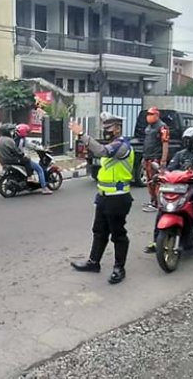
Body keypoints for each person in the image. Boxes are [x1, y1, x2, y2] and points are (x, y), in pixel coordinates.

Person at [69, 112, 134, 284]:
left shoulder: (122, 146)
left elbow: (100, 151)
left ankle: (119, 268)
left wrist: (81, 135)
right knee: (99, 231)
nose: (106, 131)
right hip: (104, 197)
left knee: (118, 234)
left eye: (109, 128)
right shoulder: (112, 144)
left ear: (118, 128)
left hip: (118, 198)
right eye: (104, 128)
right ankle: (93, 262)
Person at [144, 126, 193, 253]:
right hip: (177, 187)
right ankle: (155, 240)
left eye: (192, 140)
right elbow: (170, 168)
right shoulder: (180, 154)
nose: (189, 143)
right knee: (162, 208)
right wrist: (160, 175)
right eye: (187, 140)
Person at [142, 107, 169, 212]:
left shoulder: (162, 127)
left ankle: (158, 203)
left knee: (156, 181)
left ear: (157, 115)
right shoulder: (148, 127)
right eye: (148, 114)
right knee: (149, 181)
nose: (149, 116)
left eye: (151, 114)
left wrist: (163, 160)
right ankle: (153, 201)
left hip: (156, 158)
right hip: (147, 157)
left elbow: (165, 143)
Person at [13, 123, 52, 195]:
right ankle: (44, 188)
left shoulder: (15, 139)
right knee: (39, 169)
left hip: (16, 159)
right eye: (27, 132)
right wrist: (42, 148)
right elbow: (31, 146)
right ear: (23, 132)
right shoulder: (22, 140)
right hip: (23, 159)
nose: (27, 133)